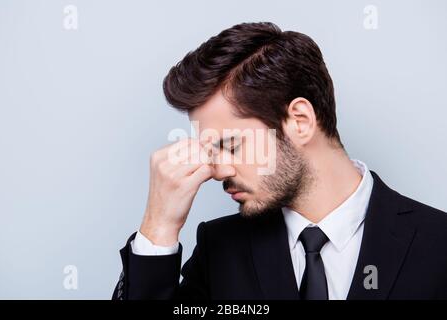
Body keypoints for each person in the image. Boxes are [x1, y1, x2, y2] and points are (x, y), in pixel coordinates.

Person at [112, 22, 447, 300]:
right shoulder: (221, 249)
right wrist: (158, 228)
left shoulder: (438, 242)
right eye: (210, 151)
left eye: (231, 144)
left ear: (299, 121)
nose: (219, 171)